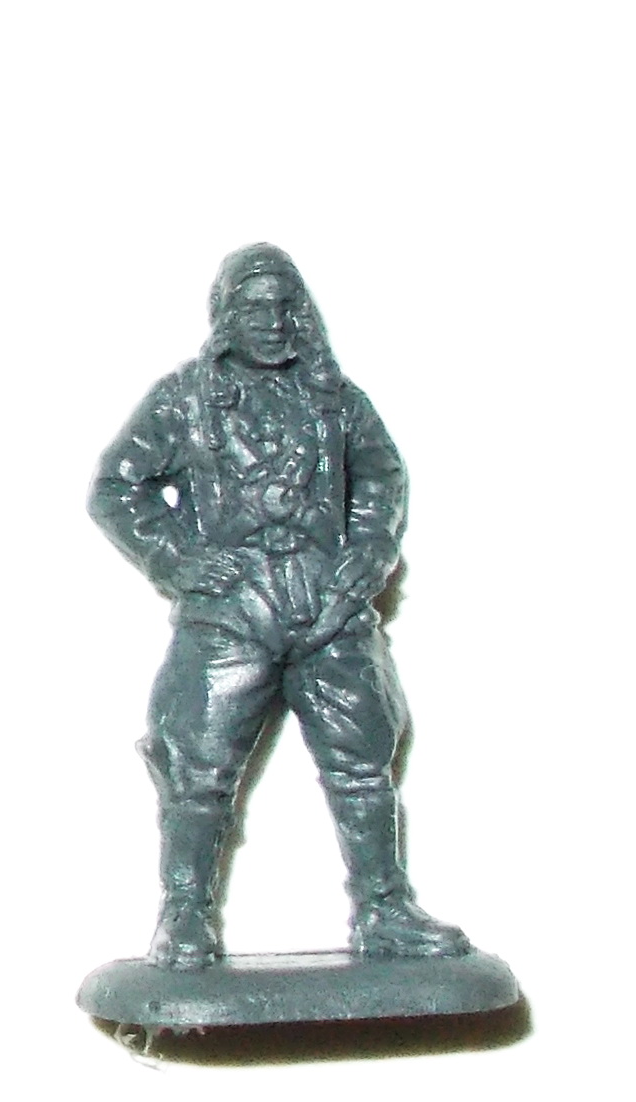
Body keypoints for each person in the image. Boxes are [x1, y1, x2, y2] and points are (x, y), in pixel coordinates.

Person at [90, 244, 468, 970]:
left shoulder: (333, 397)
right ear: (226, 314)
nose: (271, 321)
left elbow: (381, 475)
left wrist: (368, 551)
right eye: (254, 307)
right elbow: (116, 486)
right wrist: (178, 560)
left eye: (284, 306)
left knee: (363, 761)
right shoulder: (184, 398)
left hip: (326, 603)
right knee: (197, 768)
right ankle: (184, 914)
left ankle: (384, 908)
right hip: (232, 611)